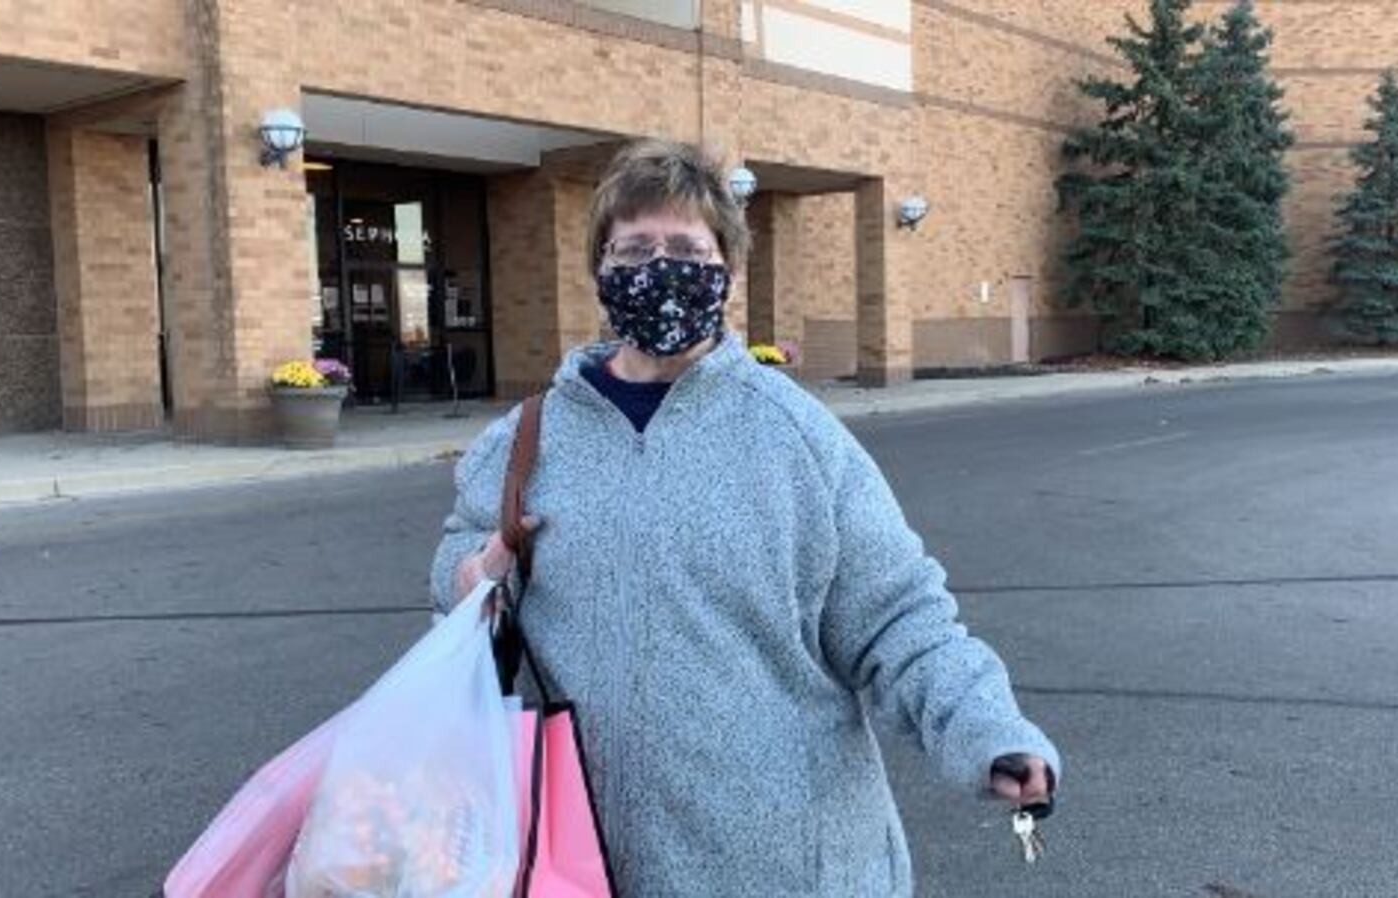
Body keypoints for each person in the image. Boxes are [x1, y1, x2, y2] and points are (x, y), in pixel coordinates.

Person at [430, 139, 1060, 896]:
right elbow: (463, 567)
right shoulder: (527, 441)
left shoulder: (797, 438)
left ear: (726, 269)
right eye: (635, 248)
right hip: (588, 860)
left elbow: (900, 619)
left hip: (781, 862)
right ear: (600, 269)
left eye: (686, 248)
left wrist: (986, 730)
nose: (659, 269)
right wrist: (466, 582)